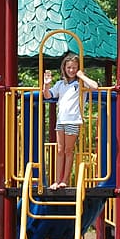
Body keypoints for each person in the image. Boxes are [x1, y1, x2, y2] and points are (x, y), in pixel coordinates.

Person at [42, 53, 98, 190]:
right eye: (69, 67)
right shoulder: (61, 84)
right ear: (64, 68)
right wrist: (46, 85)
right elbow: (48, 95)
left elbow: (95, 86)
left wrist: (81, 75)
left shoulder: (80, 83)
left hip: (73, 120)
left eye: (74, 67)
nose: (71, 70)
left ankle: (64, 180)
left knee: (68, 150)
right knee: (60, 150)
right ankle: (56, 180)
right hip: (61, 120)